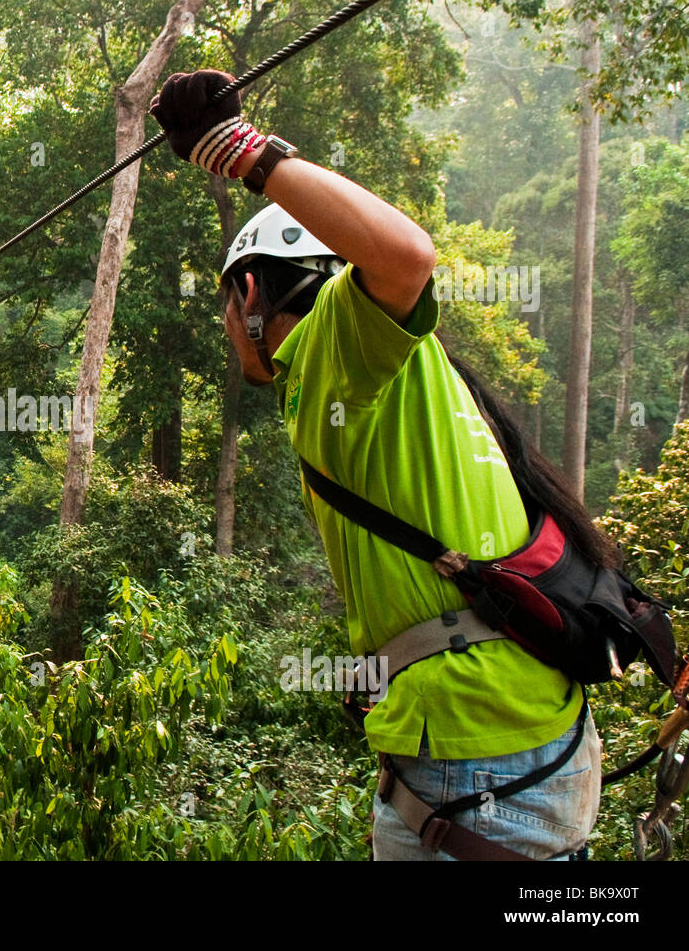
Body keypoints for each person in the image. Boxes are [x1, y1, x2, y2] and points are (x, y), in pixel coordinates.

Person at [149, 68, 602, 861]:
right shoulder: (406, 372)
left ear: (249, 294)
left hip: (479, 767)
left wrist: (238, 151)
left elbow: (403, 255)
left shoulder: (334, 341)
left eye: (225, 307)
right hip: (504, 747)